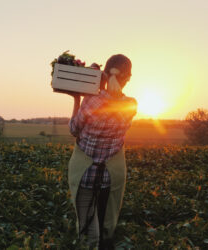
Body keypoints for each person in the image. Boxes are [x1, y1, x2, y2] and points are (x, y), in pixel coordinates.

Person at [67, 54, 137, 249]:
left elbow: (74, 129)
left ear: (104, 75)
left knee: (88, 231)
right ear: (129, 78)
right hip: (110, 177)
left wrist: (77, 98)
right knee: (106, 227)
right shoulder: (131, 105)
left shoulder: (91, 101)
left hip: (85, 175)